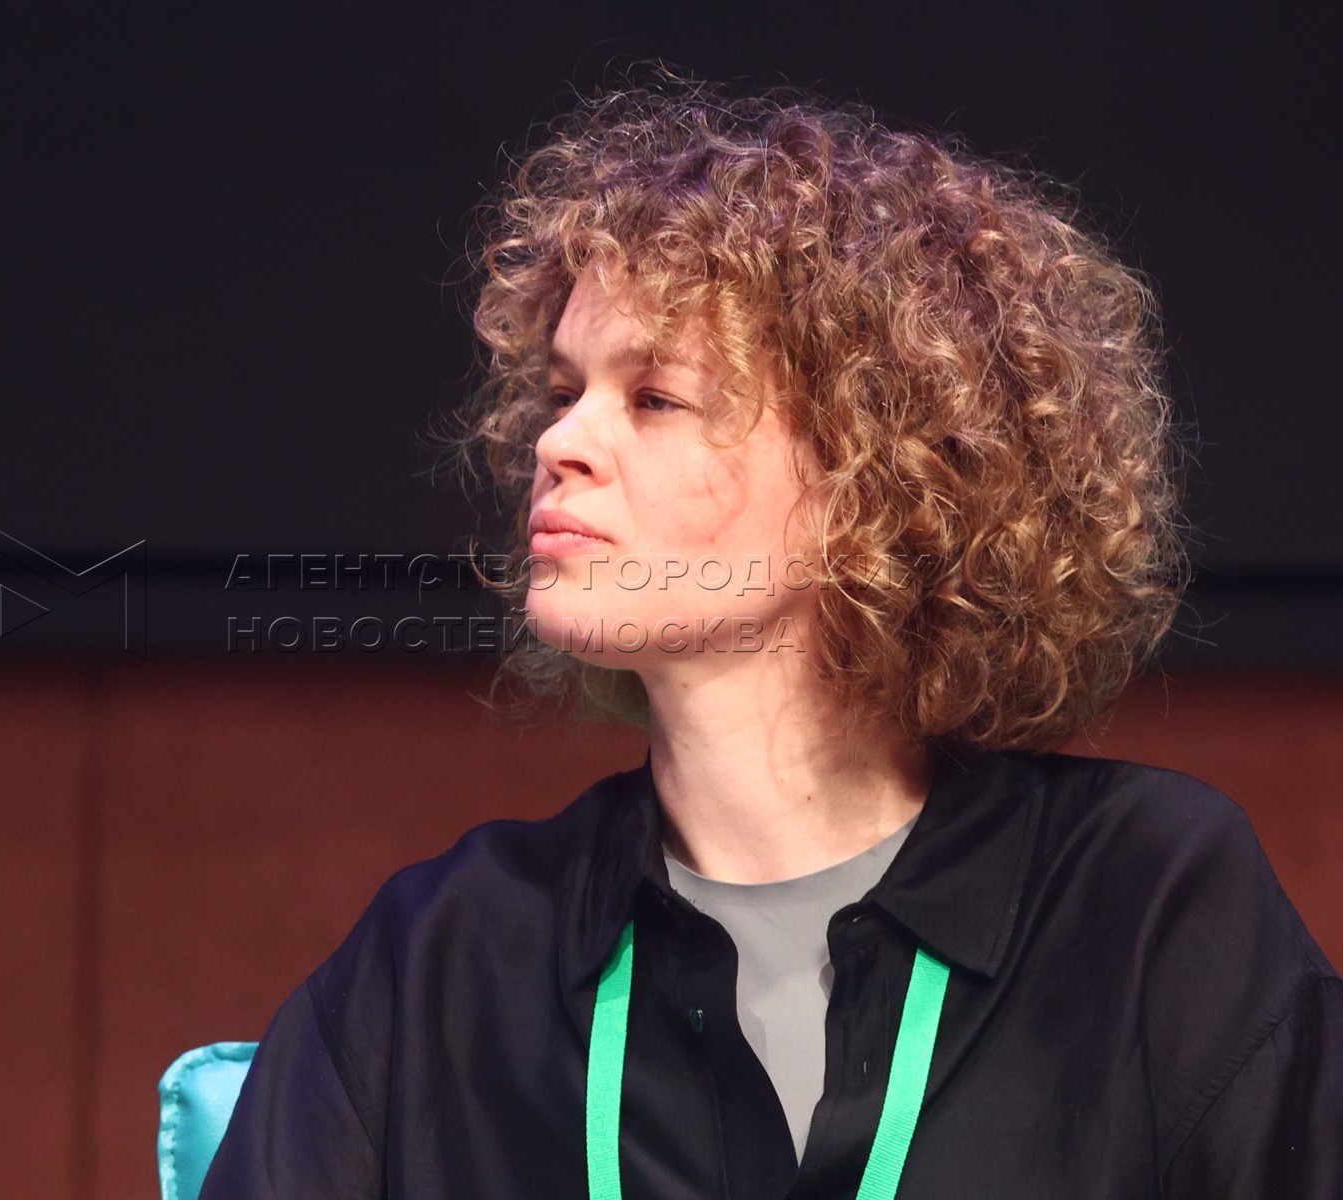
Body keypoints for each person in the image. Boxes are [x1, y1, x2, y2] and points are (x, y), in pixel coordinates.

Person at [198, 74, 1343, 1198]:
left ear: (872, 476)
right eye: (563, 391)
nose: (560, 443)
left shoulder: (1147, 907)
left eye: (655, 399)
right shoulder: (440, 960)